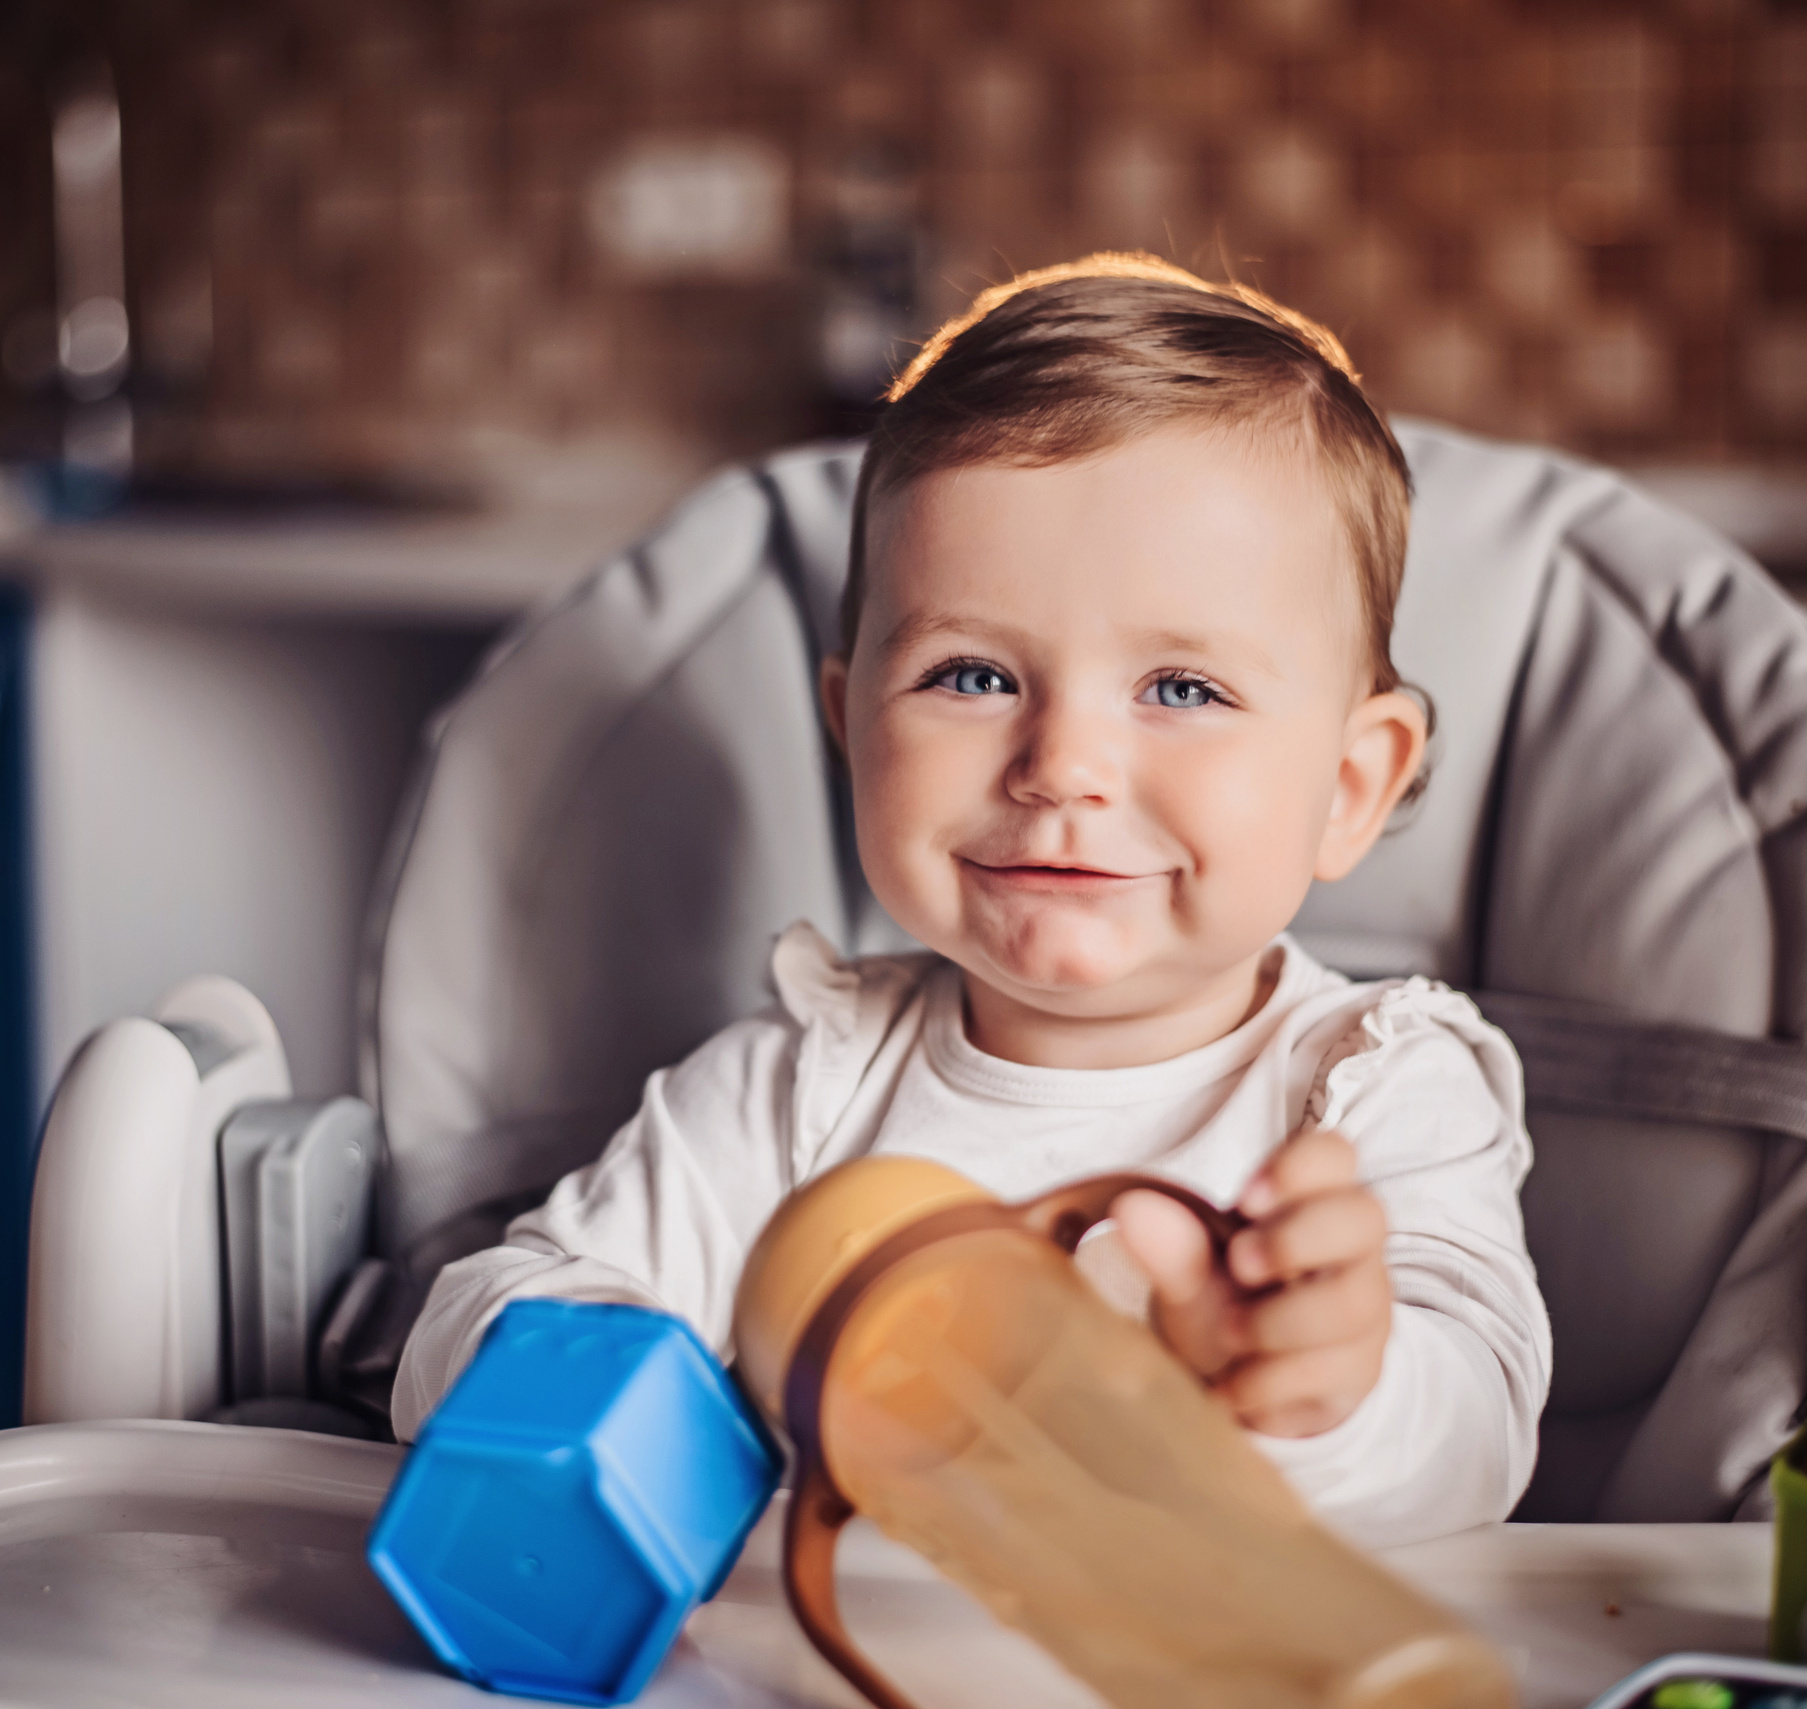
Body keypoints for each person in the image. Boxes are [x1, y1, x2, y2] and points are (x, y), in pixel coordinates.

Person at [392, 253, 1551, 1546]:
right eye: (972, 675)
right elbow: (479, 1318)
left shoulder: (1371, 1091)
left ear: (1349, 785)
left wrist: (1322, 1392)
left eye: (1180, 688)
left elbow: (1480, 1437)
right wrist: (585, 1359)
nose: (1061, 765)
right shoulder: (796, 1092)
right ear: (852, 726)